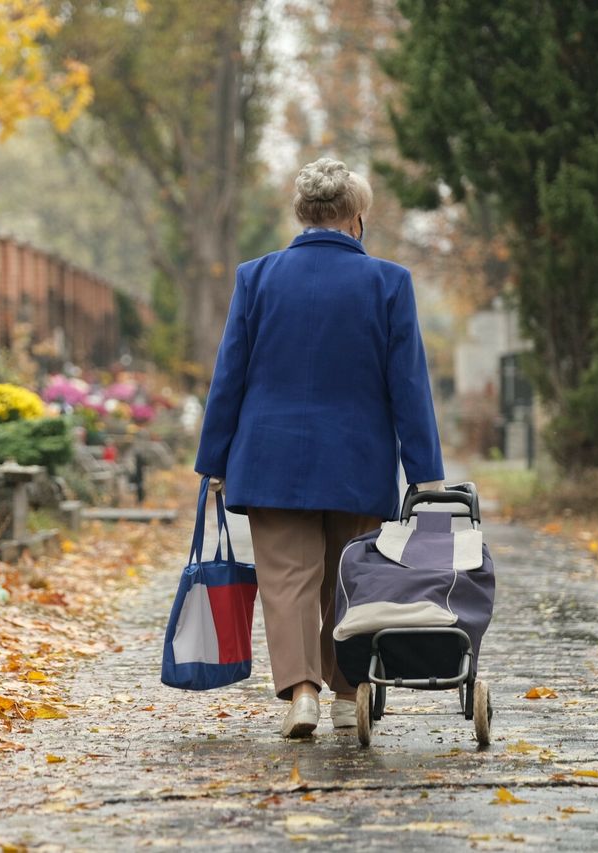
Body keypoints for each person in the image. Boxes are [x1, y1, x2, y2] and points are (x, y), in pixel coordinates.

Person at [194, 157, 444, 737]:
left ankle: (301, 692)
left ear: (302, 213)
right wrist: (424, 472)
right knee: (348, 578)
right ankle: (346, 693)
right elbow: (407, 383)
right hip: (358, 460)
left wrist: (214, 461)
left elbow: (230, 374)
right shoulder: (388, 282)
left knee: (287, 580)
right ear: (357, 218)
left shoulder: (255, 277)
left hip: (269, 456)